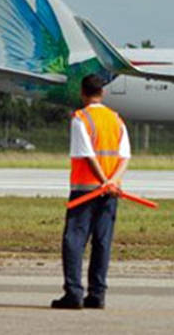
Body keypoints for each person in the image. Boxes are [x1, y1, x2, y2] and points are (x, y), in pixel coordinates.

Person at [52, 74, 131, 309]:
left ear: (82, 93)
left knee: (74, 241)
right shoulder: (116, 120)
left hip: (85, 191)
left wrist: (103, 180)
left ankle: (74, 293)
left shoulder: (81, 119)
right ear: (102, 93)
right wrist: (113, 182)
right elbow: (124, 156)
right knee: (102, 242)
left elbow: (87, 155)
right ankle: (97, 294)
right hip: (110, 192)